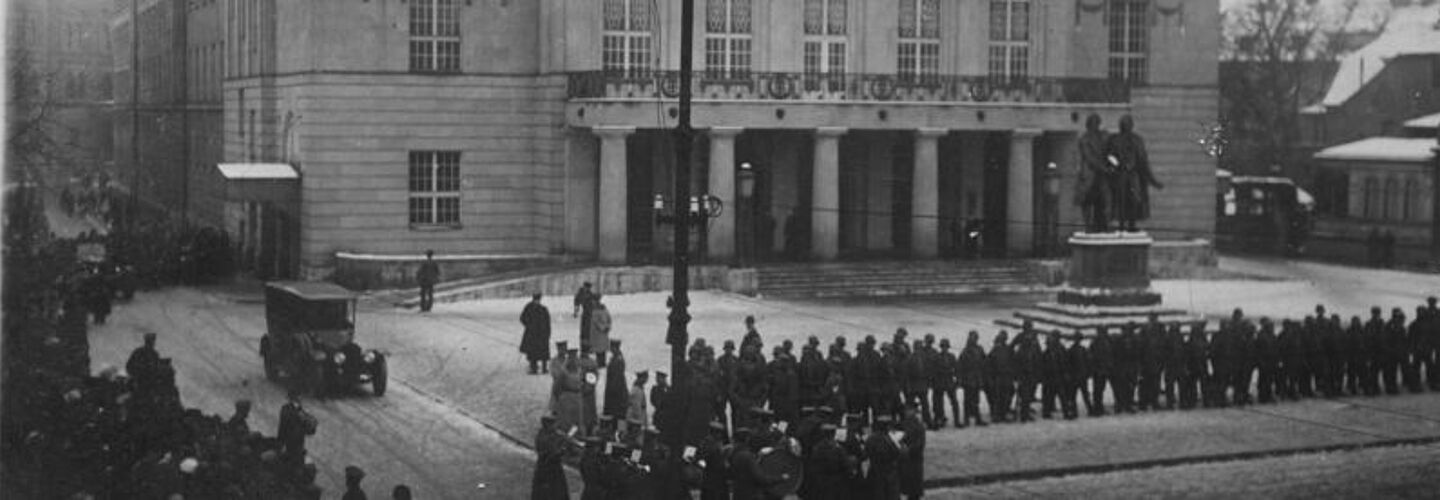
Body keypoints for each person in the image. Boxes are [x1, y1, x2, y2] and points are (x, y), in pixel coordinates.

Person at [1106, 115, 1163, 232]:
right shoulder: (1114, 139)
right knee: (1120, 199)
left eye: (1128, 124)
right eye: (1124, 124)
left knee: (1134, 199)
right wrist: (1117, 164)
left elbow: (1143, 160)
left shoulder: (1137, 140)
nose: (1126, 126)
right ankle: (1121, 224)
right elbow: (1109, 156)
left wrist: (1153, 181)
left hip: (1134, 175)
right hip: (1120, 174)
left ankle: (1132, 224)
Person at [1076, 113, 1115, 232]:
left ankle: (1107, 225)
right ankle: (1088, 226)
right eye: (1092, 123)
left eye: (1096, 123)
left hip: (1103, 175)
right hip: (1090, 174)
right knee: (1087, 200)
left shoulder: (1105, 136)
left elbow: (1111, 151)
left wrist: (1113, 164)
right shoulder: (1084, 139)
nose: (1095, 126)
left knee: (1106, 199)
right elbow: (1089, 158)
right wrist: (1104, 168)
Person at [532, 414, 572, 500]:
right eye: (553, 424)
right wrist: (563, 449)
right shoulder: (544, 438)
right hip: (549, 467)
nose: (555, 426)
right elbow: (554, 453)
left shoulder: (546, 434)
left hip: (549, 466)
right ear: (548, 425)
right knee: (552, 491)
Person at [956, 331, 987, 427]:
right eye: (972, 338)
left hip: (977, 378)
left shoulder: (980, 349)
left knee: (976, 400)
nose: (974, 340)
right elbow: (960, 366)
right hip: (968, 379)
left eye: (975, 338)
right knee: (967, 400)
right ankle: (966, 419)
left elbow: (984, 363)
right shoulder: (965, 351)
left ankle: (977, 418)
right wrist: (960, 379)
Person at [278, 390, 316, 466]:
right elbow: (310, 430)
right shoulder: (293, 410)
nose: (300, 399)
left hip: (295, 443)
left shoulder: (297, 410)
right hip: (292, 443)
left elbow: (311, 429)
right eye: (299, 397)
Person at [898, 403, 926, 500]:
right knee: (906, 487)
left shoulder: (919, 426)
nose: (907, 412)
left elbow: (920, 443)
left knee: (914, 489)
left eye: (910, 410)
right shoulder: (902, 424)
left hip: (914, 460)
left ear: (915, 412)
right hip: (905, 460)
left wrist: (908, 449)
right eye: (906, 410)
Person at [520, 294, 553, 375]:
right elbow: (548, 322)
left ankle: (537, 368)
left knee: (535, 351)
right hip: (539, 333)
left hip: (536, 333)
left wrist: (528, 325)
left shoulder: (530, 308)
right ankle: (540, 368)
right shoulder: (543, 309)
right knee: (540, 351)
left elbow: (522, 318)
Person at [604, 340, 629, 424]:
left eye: (612, 348)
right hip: (615, 392)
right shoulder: (615, 358)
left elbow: (616, 379)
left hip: (617, 394)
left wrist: (612, 391)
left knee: (618, 417)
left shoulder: (618, 360)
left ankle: (618, 434)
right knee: (616, 416)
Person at [589, 296, 612, 368]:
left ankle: (602, 362)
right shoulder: (600, 309)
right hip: (597, 333)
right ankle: (600, 362)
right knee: (599, 349)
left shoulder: (598, 310)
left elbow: (608, 319)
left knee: (601, 349)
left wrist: (606, 327)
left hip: (601, 332)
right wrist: (606, 327)